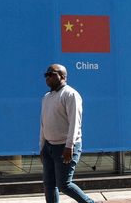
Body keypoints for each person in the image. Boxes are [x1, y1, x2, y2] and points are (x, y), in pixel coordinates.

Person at [39, 64, 95, 203]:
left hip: (65, 147)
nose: (47, 77)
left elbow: (75, 123)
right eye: (46, 75)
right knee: (49, 184)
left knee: (64, 184)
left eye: (51, 74)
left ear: (63, 76)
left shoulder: (70, 94)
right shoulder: (46, 97)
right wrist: (42, 147)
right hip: (48, 147)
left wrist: (69, 146)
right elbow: (43, 124)